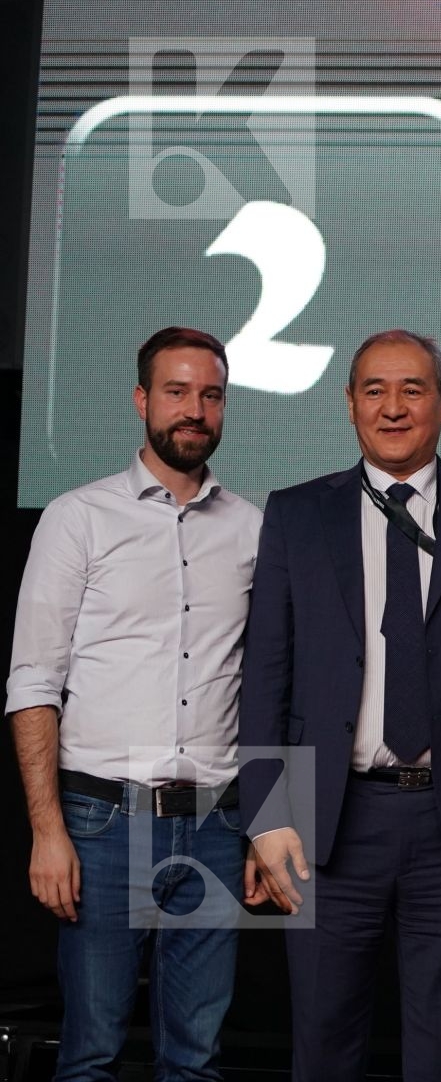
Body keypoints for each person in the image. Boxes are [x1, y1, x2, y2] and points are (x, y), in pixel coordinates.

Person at [240, 330, 441, 1082]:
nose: (393, 408)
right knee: (323, 1045)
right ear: (349, 404)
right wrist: (266, 811)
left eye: (413, 389)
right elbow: (266, 676)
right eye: (375, 390)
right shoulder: (296, 514)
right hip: (326, 823)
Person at [6, 326, 261, 1081]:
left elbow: (274, 685)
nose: (195, 410)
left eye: (211, 394)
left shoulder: (253, 529)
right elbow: (32, 682)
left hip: (219, 825)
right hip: (101, 826)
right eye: (177, 392)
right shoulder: (76, 518)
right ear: (141, 399)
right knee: (90, 1055)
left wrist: (277, 828)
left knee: (199, 1060)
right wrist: (47, 832)